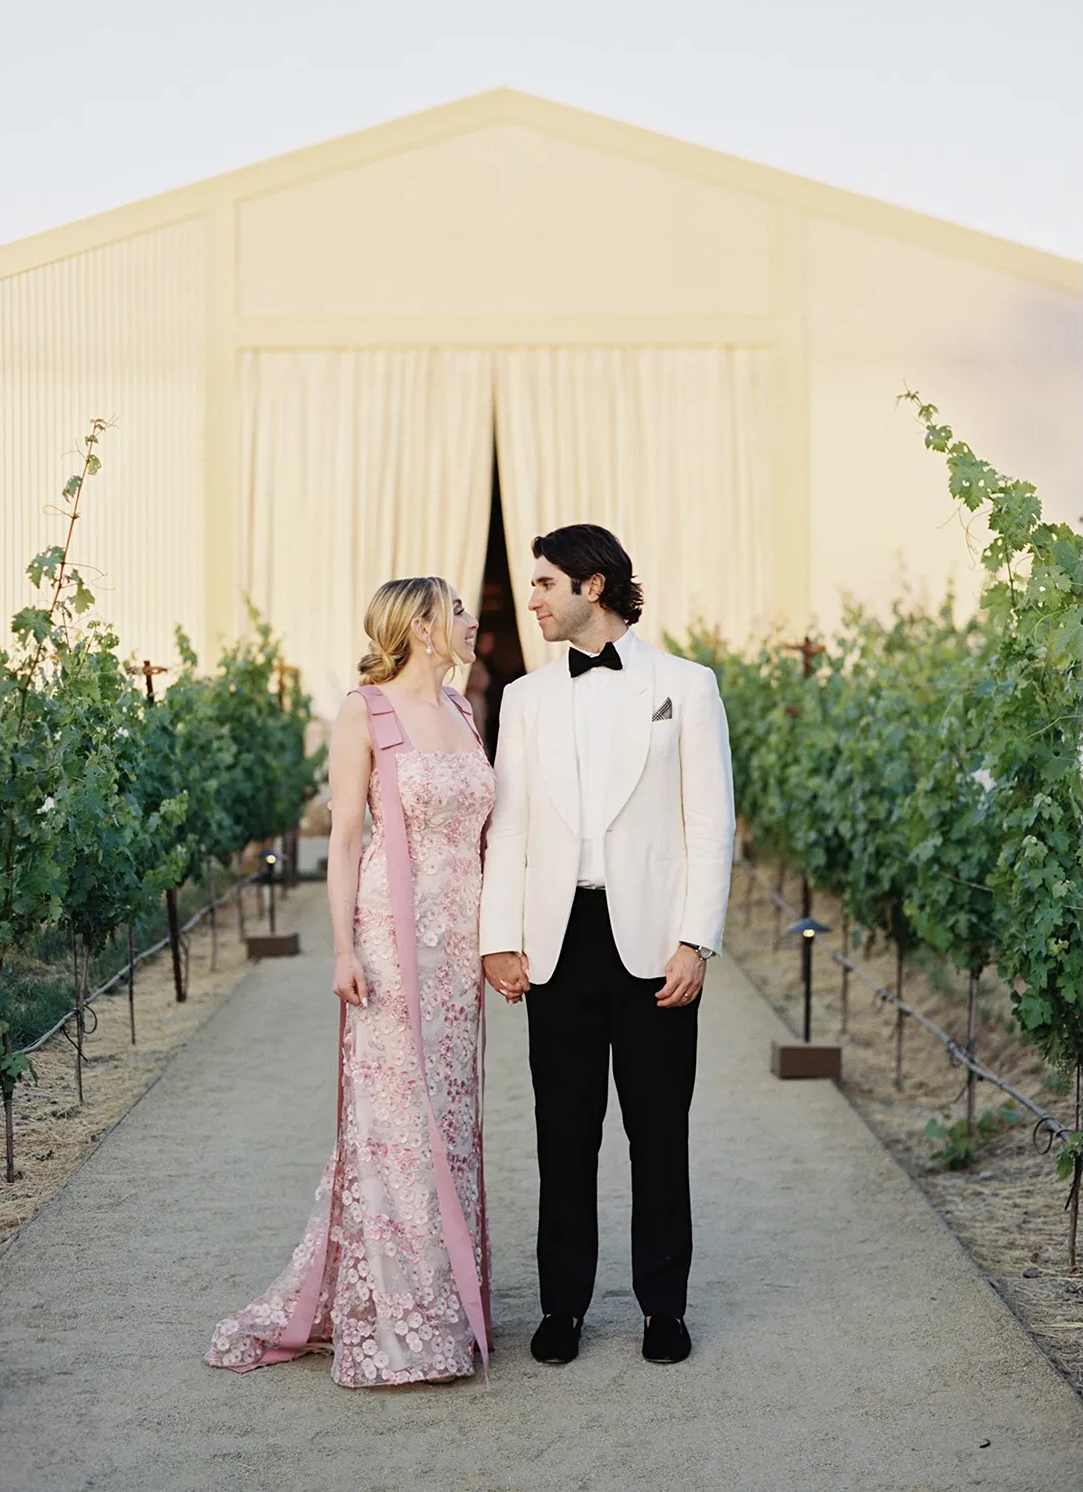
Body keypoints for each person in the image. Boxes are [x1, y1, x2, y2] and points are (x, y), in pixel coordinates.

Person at [206, 577, 495, 1387]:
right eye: (460, 610)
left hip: (457, 949)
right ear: (425, 625)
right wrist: (342, 949)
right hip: (391, 937)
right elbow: (342, 840)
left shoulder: (467, 712)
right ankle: (403, 1320)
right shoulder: (362, 711)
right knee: (395, 1123)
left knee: (450, 1114)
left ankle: (447, 1295)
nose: (473, 623)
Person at [479, 525, 734, 1367]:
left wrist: (697, 939)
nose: (534, 598)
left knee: (659, 1134)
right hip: (557, 945)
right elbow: (508, 827)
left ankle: (664, 1309)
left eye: (546, 583)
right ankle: (564, 1308)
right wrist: (499, 940)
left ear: (594, 587)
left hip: (656, 945)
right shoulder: (523, 699)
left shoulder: (688, 688)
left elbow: (710, 824)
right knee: (564, 1137)